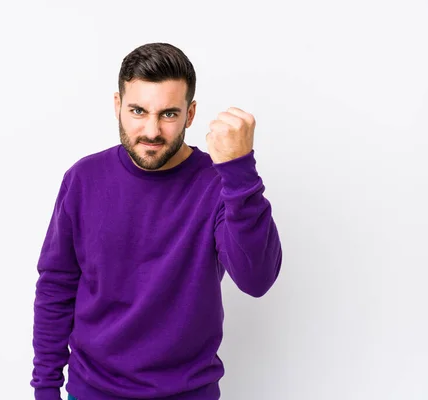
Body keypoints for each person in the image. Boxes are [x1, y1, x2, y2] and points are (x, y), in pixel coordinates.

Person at [30, 42, 283, 400]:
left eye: (168, 114)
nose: (151, 131)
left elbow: (256, 279)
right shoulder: (84, 179)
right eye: (137, 110)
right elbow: (56, 287)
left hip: (188, 393)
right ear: (117, 105)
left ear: (190, 114)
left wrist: (239, 171)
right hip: (92, 392)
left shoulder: (219, 185)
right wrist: (45, 389)